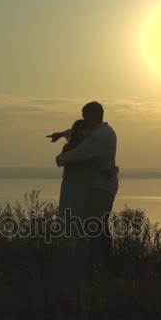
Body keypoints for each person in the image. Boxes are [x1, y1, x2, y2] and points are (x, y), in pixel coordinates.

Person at [48, 101, 119, 269]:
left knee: (93, 226)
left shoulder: (97, 137)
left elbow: (80, 151)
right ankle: (104, 262)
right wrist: (61, 134)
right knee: (100, 225)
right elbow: (79, 133)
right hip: (107, 184)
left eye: (85, 116)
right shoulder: (106, 130)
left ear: (92, 116)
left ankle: (98, 264)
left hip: (100, 186)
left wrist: (60, 159)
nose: (83, 120)